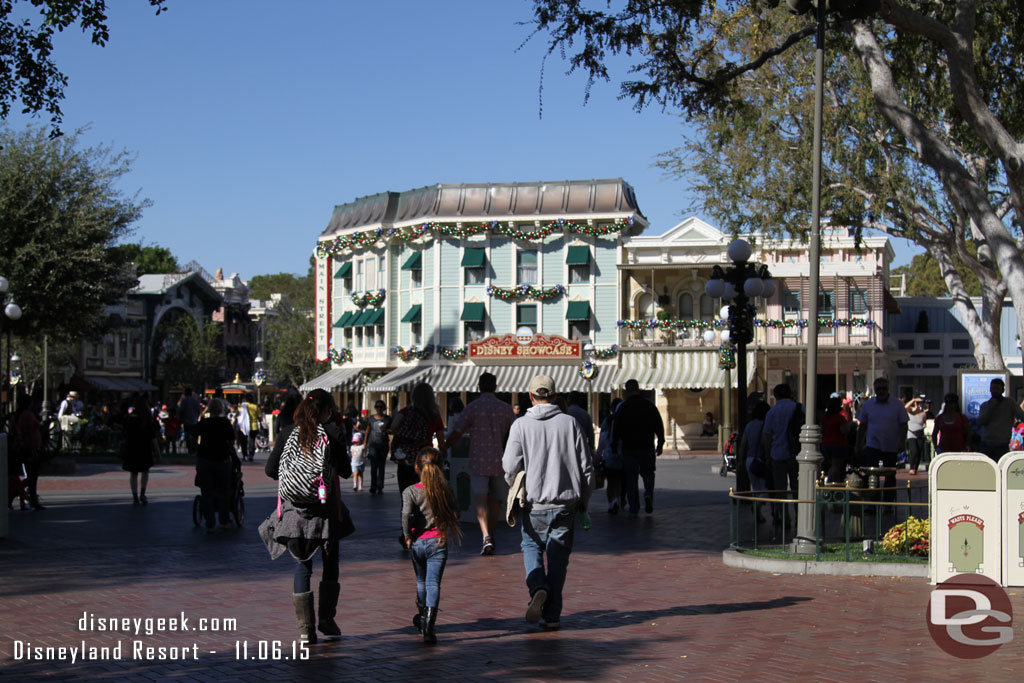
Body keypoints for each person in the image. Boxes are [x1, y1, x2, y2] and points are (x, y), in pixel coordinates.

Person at [503, 374, 593, 630]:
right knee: (558, 559)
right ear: (554, 396)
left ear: (531, 397)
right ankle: (552, 615)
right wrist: (585, 497)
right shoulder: (570, 423)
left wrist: (516, 482)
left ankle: (537, 587)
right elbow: (586, 466)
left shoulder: (520, 425)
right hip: (565, 502)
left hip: (533, 502)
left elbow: (509, 465)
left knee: (531, 545)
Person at [265, 389, 352, 644]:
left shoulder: (287, 432)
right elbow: (346, 472)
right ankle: (326, 618)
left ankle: (305, 629)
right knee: (330, 563)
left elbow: (271, 469)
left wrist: (295, 479)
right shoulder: (332, 434)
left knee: (302, 564)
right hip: (326, 512)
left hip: (295, 513)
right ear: (326, 411)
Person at [447, 372, 515, 555]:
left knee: (480, 499)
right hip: (500, 461)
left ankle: (485, 536)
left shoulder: (472, 407)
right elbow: (515, 433)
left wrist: (444, 446)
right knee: (495, 500)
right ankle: (491, 535)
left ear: (479, 386)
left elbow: (457, 431)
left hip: (478, 460)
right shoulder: (505, 408)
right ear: (495, 386)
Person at [401, 447, 462, 644]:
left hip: (418, 541)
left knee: (421, 581)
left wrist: (407, 536)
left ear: (417, 468)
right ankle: (429, 624)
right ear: (441, 466)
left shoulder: (410, 491)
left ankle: (422, 616)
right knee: (433, 583)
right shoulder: (446, 489)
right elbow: (456, 512)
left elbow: (406, 515)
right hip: (439, 540)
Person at [390, 382, 446, 547]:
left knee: (406, 497)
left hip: (406, 461)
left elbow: (393, 427)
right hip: (424, 461)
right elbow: (441, 442)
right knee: (427, 495)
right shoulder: (434, 415)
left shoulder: (405, 412)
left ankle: (406, 533)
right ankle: (425, 529)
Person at [611, 379, 664, 514]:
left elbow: (616, 428)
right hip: (646, 445)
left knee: (631, 477)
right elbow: (659, 424)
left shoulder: (623, 407)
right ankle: (648, 494)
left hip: (629, 447)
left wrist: (614, 445)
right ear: (638, 389)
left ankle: (634, 506)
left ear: (627, 391)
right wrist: (660, 442)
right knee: (648, 473)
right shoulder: (649, 405)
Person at [856, 377, 909, 502]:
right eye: (878, 389)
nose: (881, 391)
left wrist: (902, 441)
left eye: (883, 388)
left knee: (890, 475)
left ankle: (888, 503)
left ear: (888, 388)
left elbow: (904, 425)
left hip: (891, 445)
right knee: (872, 475)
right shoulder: (868, 405)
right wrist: (858, 444)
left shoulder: (897, 404)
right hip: (873, 445)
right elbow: (862, 426)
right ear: (875, 390)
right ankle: (873, 503)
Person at [762, 383, 803, 529]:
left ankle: (785, 518)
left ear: (776, 395)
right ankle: (801, 517)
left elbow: (767, 436)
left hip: (777, 454)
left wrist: (767, 456)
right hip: (796, 454)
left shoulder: (772, 412)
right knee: (797, 488)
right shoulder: (799, 408)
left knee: (780, 490)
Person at [194, 398, 238, 532]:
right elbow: (231, 438)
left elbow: (194, 433)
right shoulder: (225, 423)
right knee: (224, 491)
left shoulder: (204, 423)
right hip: (222, 459)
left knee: (206, 492)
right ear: (221, 410)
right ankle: (224, 520)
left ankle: (210, 522)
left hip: (205, 458)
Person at [121, 395, 159, 505]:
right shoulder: (147, 418)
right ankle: (143, 493)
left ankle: (134, 496)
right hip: (144, 448)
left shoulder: (130, 418)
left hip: (132, 448)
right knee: (145, 471)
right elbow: (153, 437)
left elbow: (125, 434)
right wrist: (158, 451)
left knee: (133, 473)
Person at [976, 378, 1024, 461]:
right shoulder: (985, 405)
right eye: (993, 388)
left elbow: (1021, 416)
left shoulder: (1009, 403)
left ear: (1002, 390)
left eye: (998, 389)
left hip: (1002, 443)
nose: (995, 391)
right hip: (987, 443)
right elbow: (981, 421)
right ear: (990, 389)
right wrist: (990, 409)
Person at [12, 396, 45, 510]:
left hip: (28, 447)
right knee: (32, 475)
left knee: (32, 475)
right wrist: (33, 448)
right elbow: (29, 432)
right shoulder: (27, 415)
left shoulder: (21, 414)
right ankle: (20, 494)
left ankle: (25, 495)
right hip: (29, 448)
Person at [739, 401, 770, 522]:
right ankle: (756, 506)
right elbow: (765, 442)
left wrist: (741, 460)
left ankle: (759, 514)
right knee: (766, 489)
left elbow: (743, 444)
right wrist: (768, 457)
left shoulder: (749, 425)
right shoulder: (764, 425)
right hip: (760, 459)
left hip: (749, 459)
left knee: (756, 488)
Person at [595, 397, 623, 514]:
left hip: (609, 459)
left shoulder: (605, 431)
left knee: (610, 482)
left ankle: (612, 502)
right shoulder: (622, 430)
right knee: (618, 482)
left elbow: (600, 448)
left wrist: (596, 461)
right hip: (620, 458)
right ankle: (618, 498)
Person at [820, 395, 852, 483]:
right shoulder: (840, 418)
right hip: (838, 444)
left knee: (828, 466)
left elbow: (821, 430)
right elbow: (845, 430)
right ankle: (831, 483)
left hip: (826, 444)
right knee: (836, 466)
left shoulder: (824, 418)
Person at [365, 400, 392, 495]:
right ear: (375, 408)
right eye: (377, 407)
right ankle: (373, 486)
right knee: (373, 466)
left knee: (381, 466)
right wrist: (365, 445)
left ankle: (380, 485)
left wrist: (386, 430)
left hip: (383, 445)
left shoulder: (388, 419)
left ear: (384, 408)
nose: (379, 409)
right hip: (373, 445)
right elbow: (367, 431)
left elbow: (392, 431)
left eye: (381, 407)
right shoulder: (371, 418)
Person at [905, 395, 929, 474]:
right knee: (914, 450)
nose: (919, 404)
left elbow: (924, 423)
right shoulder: (910, 411)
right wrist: (914, 399)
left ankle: (915, 468)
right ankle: (911, 468)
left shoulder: (923, 413)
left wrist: (924, 427)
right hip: (911, 433)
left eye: (920, 403)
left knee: (919, 452)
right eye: (917, 403)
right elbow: (905, 407)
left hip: (920, 434)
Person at [177, 387, 202, 454]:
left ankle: (189, 449)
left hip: (187, 421)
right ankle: (194, 448)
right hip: (194, 421)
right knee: (194, 436)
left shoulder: (184, 400)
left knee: (187, 435)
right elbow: (198, 410)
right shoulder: (195, 400)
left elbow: (180, 410)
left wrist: (180, 418)